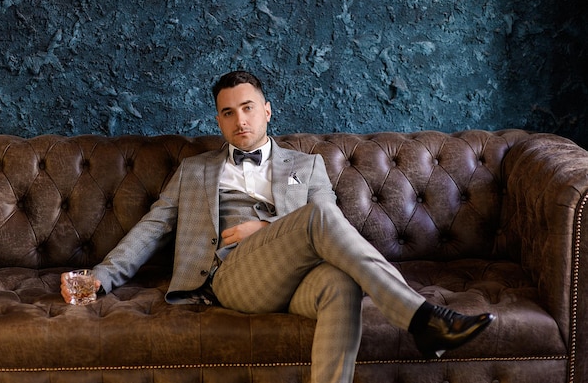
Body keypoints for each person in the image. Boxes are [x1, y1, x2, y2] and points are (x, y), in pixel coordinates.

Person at [61, 70, 494, 382]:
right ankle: (421, 318)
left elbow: (331, 225)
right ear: (219, 122)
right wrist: (99, 277)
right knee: (319, 218)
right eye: (227, 113)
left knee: (340, 284)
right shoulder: (194, 171)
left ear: (267, 111)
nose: (240, 121)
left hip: (299, 276)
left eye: (248, 108)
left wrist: (266, 231)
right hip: (232, 276)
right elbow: (152, 227)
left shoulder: (307, 166)